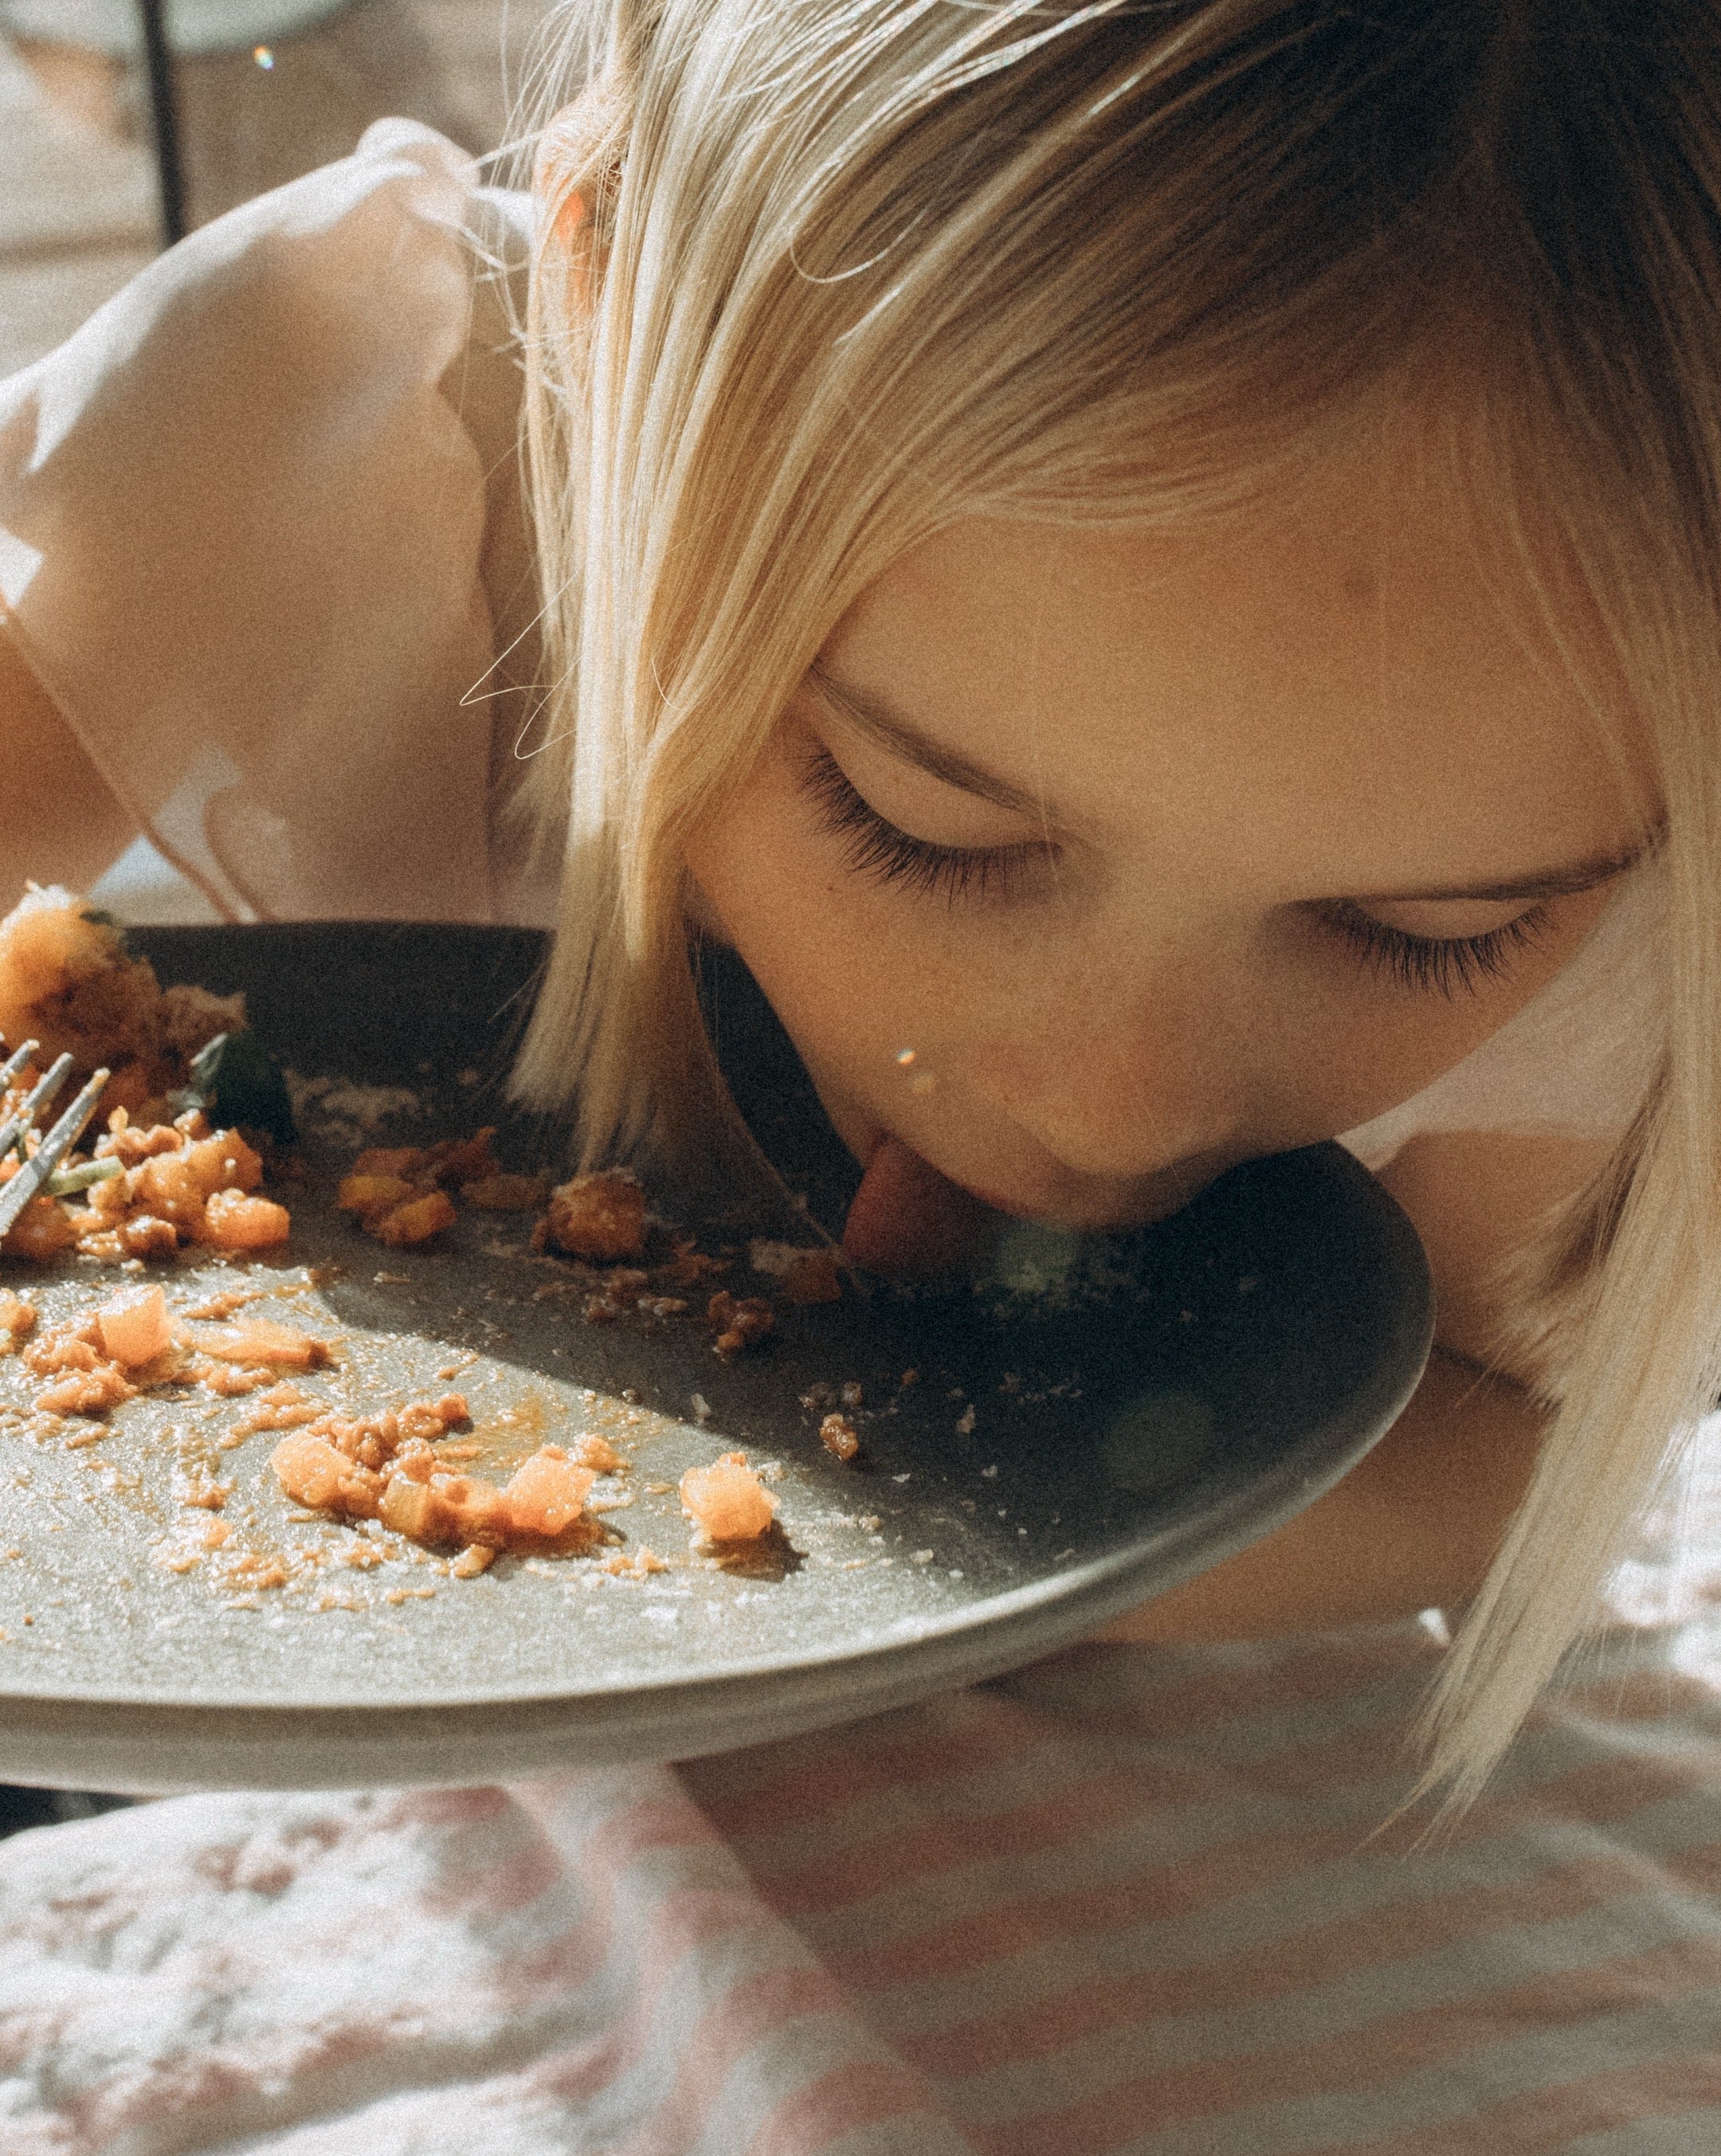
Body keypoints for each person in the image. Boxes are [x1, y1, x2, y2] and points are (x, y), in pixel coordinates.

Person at [2, 2, 1720, 2146]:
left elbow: (1496, 1439)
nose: (1106, 1102)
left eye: (1420, 932)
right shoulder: (353, 429)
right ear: (621, 345)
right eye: (933, 827)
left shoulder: (1636, 764)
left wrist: (957, 1497)